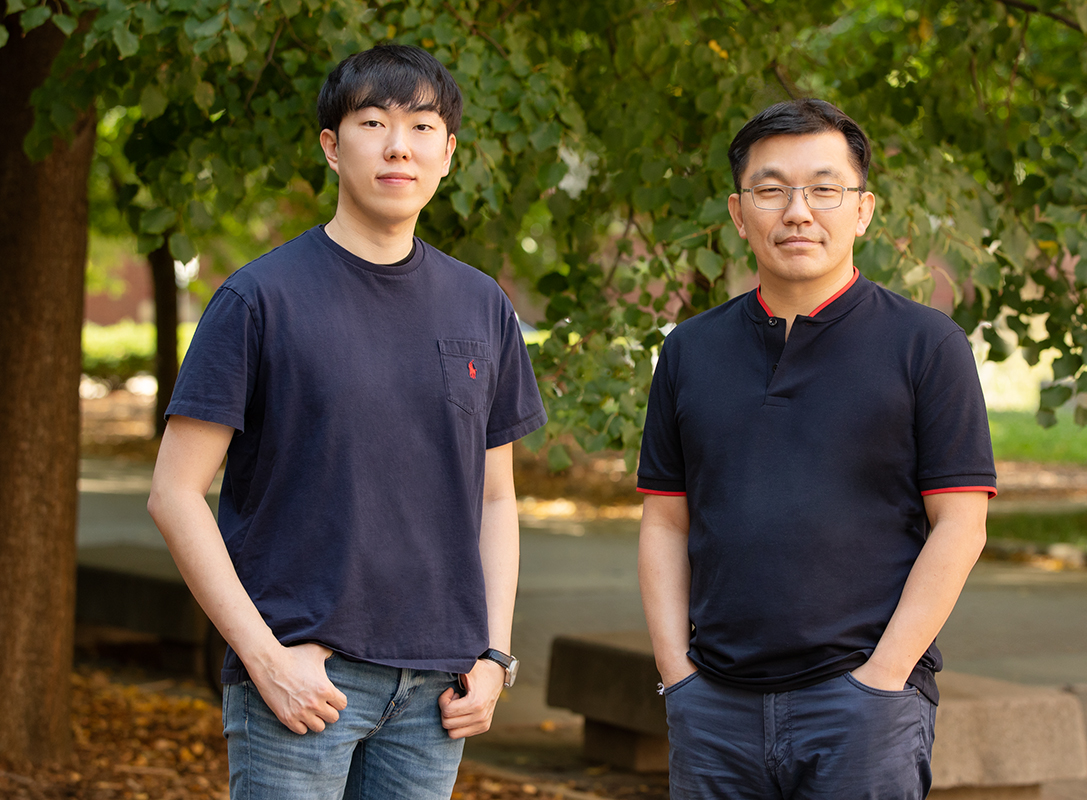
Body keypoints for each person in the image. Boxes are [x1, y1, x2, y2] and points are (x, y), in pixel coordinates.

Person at [148, 44, 546, 800]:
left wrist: (494, 655)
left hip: (438, 694)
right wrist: (266, 660)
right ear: (332, 147)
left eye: (423, 127)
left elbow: (496, 499)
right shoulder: (259, 299)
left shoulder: (481, 305)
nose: (400, 145)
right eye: (373, 121)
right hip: (302, 682)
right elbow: (174, 493)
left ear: (449, 153)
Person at [636, 99, 996, 800]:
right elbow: (664, 521)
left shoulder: (928, 346)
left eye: (824, 189)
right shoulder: (689, 351)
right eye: (771, 190)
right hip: (715, 706)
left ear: (862, 209)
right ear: (740, 214)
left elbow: (961, 524)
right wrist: (678, 676)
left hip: (860, 703)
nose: (797, 211)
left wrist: (883, 680)